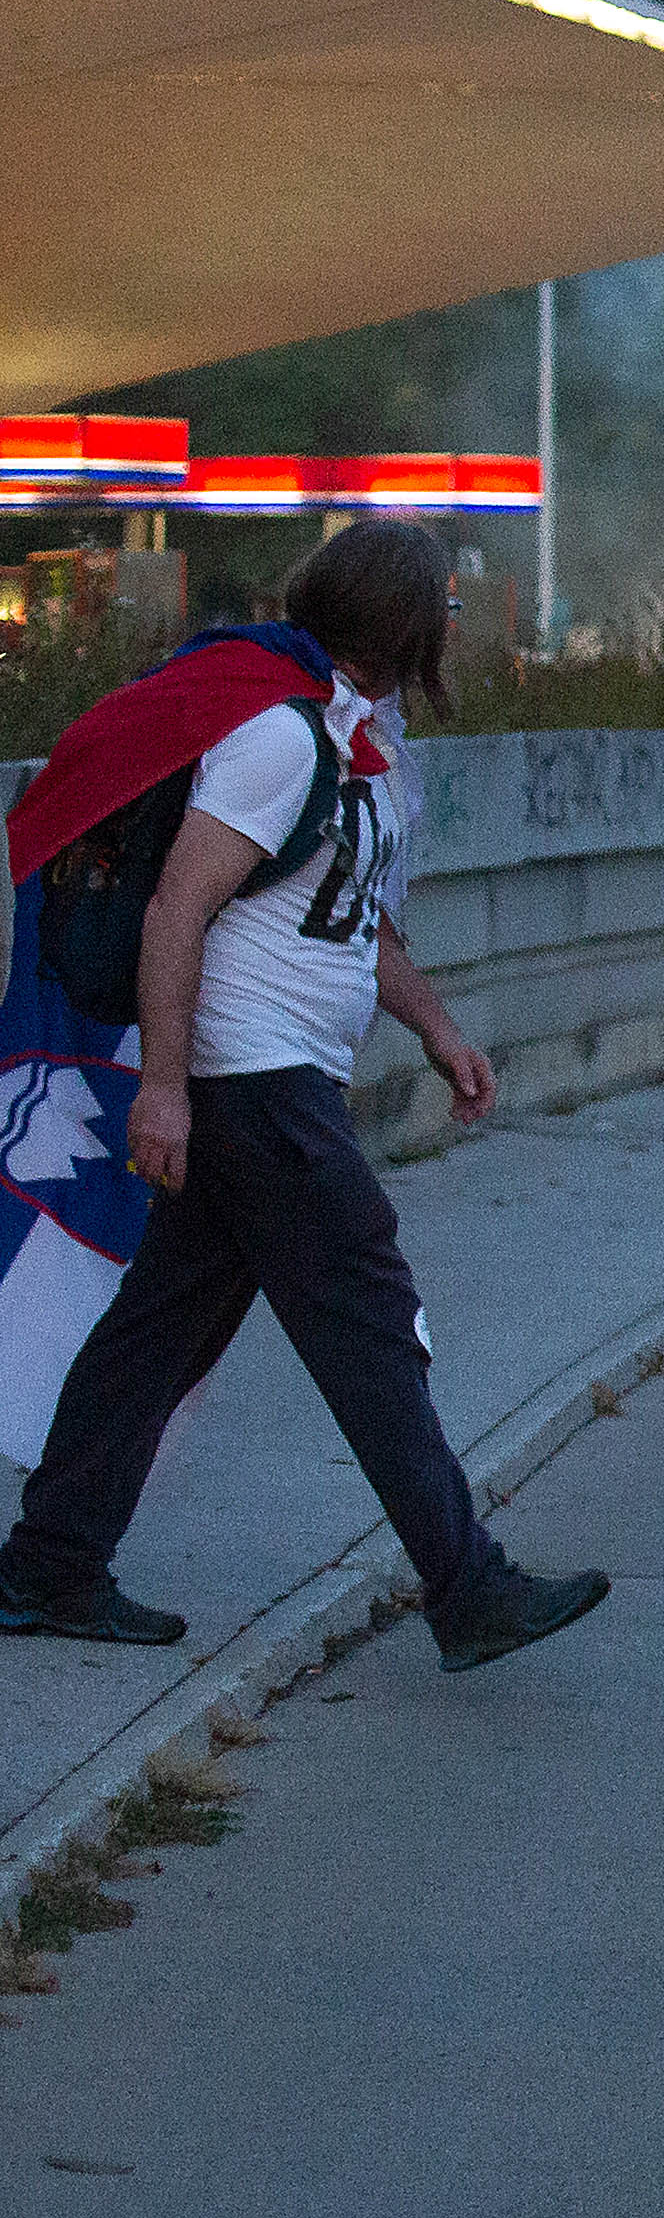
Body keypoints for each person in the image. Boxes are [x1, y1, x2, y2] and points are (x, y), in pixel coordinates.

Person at [0, 522, 606, 1670]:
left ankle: (48, 1565)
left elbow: (348, 918)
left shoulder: (346, 734)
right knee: (368, 1320)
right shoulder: (278, 737)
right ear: (404, 624)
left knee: (156, 1331)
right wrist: (164, 1091)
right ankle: (468, 1585)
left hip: (266, 1082)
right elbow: (180, 912)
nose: (456, 628)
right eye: (445, 610)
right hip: (252, 1083)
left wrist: (436, 1029)